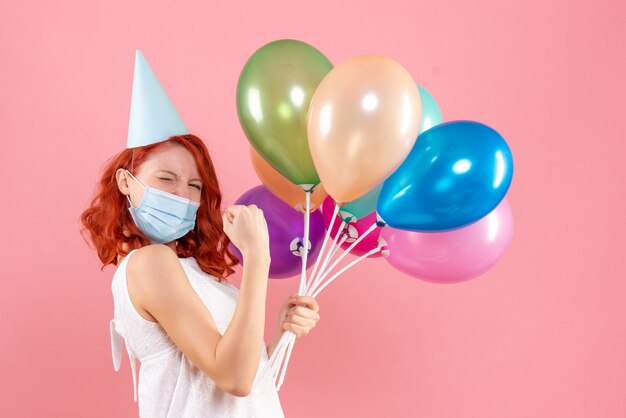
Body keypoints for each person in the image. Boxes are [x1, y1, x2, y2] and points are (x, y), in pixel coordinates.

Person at [80, 51, 320, 417]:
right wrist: (258, 258)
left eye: (194, 185)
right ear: (126, 183)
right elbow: (234, 378)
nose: (182, 195)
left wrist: (278, 334)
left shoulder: (186, 270)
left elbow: (238, 391)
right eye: (166, 179)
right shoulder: (149, 263)